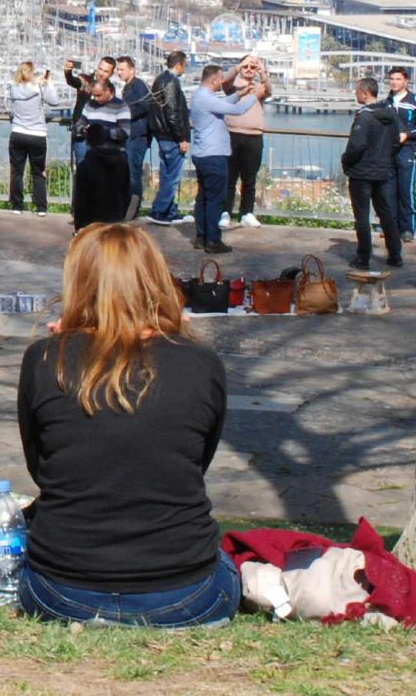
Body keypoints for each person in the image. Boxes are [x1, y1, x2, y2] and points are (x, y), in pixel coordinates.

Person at [17, 222, 237, 628]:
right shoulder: (200, 363)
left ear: (79, 283)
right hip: (184, 589)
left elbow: (42, 466)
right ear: (155, 280)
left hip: (62, 589)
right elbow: (194, 462)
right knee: (224, 563)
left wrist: (66, 348)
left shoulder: (45, 359)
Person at [189, 61, 261, 255]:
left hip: (201, 153)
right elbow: (237, 110)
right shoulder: (206, 98)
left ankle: (201, 236)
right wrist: (254, 96)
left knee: (203, 197)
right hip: (213, 154)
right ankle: (213, 240)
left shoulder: (200, 96)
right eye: (221, 79)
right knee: (214, 199)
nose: (223, 82)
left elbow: (223, 104)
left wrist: (239, 94)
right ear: (213, 80)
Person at [345, 77, 403, 271]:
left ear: (364, 92)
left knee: (362, 216)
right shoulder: (390, 115)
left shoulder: (365, 117)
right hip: (382, 170)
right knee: (386, 213)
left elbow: (356, 146)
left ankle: (363, 258)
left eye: (357, 90)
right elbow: (396, 141)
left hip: (362, 172)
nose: (355, 94)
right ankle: (395, 255)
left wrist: (346, 160)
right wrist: (385, 157)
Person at [7, 60, 67, 215]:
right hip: (37, 134)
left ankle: (17, 205)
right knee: (38, 172)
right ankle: (41, 206)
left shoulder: (13, 88)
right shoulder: (39, 88)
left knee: (17, 171)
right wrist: (48, 83)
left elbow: (12, 109)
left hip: (18, 132)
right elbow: (54, 101)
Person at [219, 56, 271, 231]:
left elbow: (269, 90)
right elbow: (224, 82)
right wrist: (238, 65)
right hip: (231, 134)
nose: (249, 69)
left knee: (249, 177)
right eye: (246, 66)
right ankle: (225, 211)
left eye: (252, 66)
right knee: (229, 177)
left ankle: (246, 212)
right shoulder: (233, 86)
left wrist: (262, 73)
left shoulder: (258, 87)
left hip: (254, 136)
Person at [147, 50, 192, 226]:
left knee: (167, 174)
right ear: (179, 64)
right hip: (171, 136)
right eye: (184, 65)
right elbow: (172, 112)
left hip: (161, 135)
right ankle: (159, 211)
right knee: (172, 177)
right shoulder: (171, 83)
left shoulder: (160, 79)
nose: (184, 69)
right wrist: (182, 137)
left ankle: (169, 211)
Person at [72, 123, 132, 231]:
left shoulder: (85, 165)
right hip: (116, 218)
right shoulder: (122, 162)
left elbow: (80, 200)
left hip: (92, 222)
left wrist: (79, 226)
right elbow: (127, 192)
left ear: (88, 142)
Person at [385, 66, 416, 242]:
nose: (394, 82)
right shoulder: (387, 102)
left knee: (406, 191)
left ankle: (407, 229)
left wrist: (408, 134)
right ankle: (391, 228)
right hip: (388, 152)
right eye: (392, 79)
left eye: (398, 79)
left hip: (407, 150)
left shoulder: (415, 101)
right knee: (389, 191)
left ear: (405, 81)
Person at [116, 56, 152, 219]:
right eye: (118, 69)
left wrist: (125, 114)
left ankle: (132, 208)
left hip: (137, 135)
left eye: (122, 69)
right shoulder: (129, 87)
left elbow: (146, 105)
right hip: (132, 135)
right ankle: (129, 207)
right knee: (129, 171)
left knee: (133, 172)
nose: (119, 72)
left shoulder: (138, 85)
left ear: (132, 70)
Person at [64, 56, 115, 165]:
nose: (101, 73)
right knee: (82, 168)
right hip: (81, 134)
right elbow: (72, 81)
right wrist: (68, 72)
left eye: (106, 71)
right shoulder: (86, 80)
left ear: (111, 74)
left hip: (99, 136)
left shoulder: (110, 89)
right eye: (100, 69)